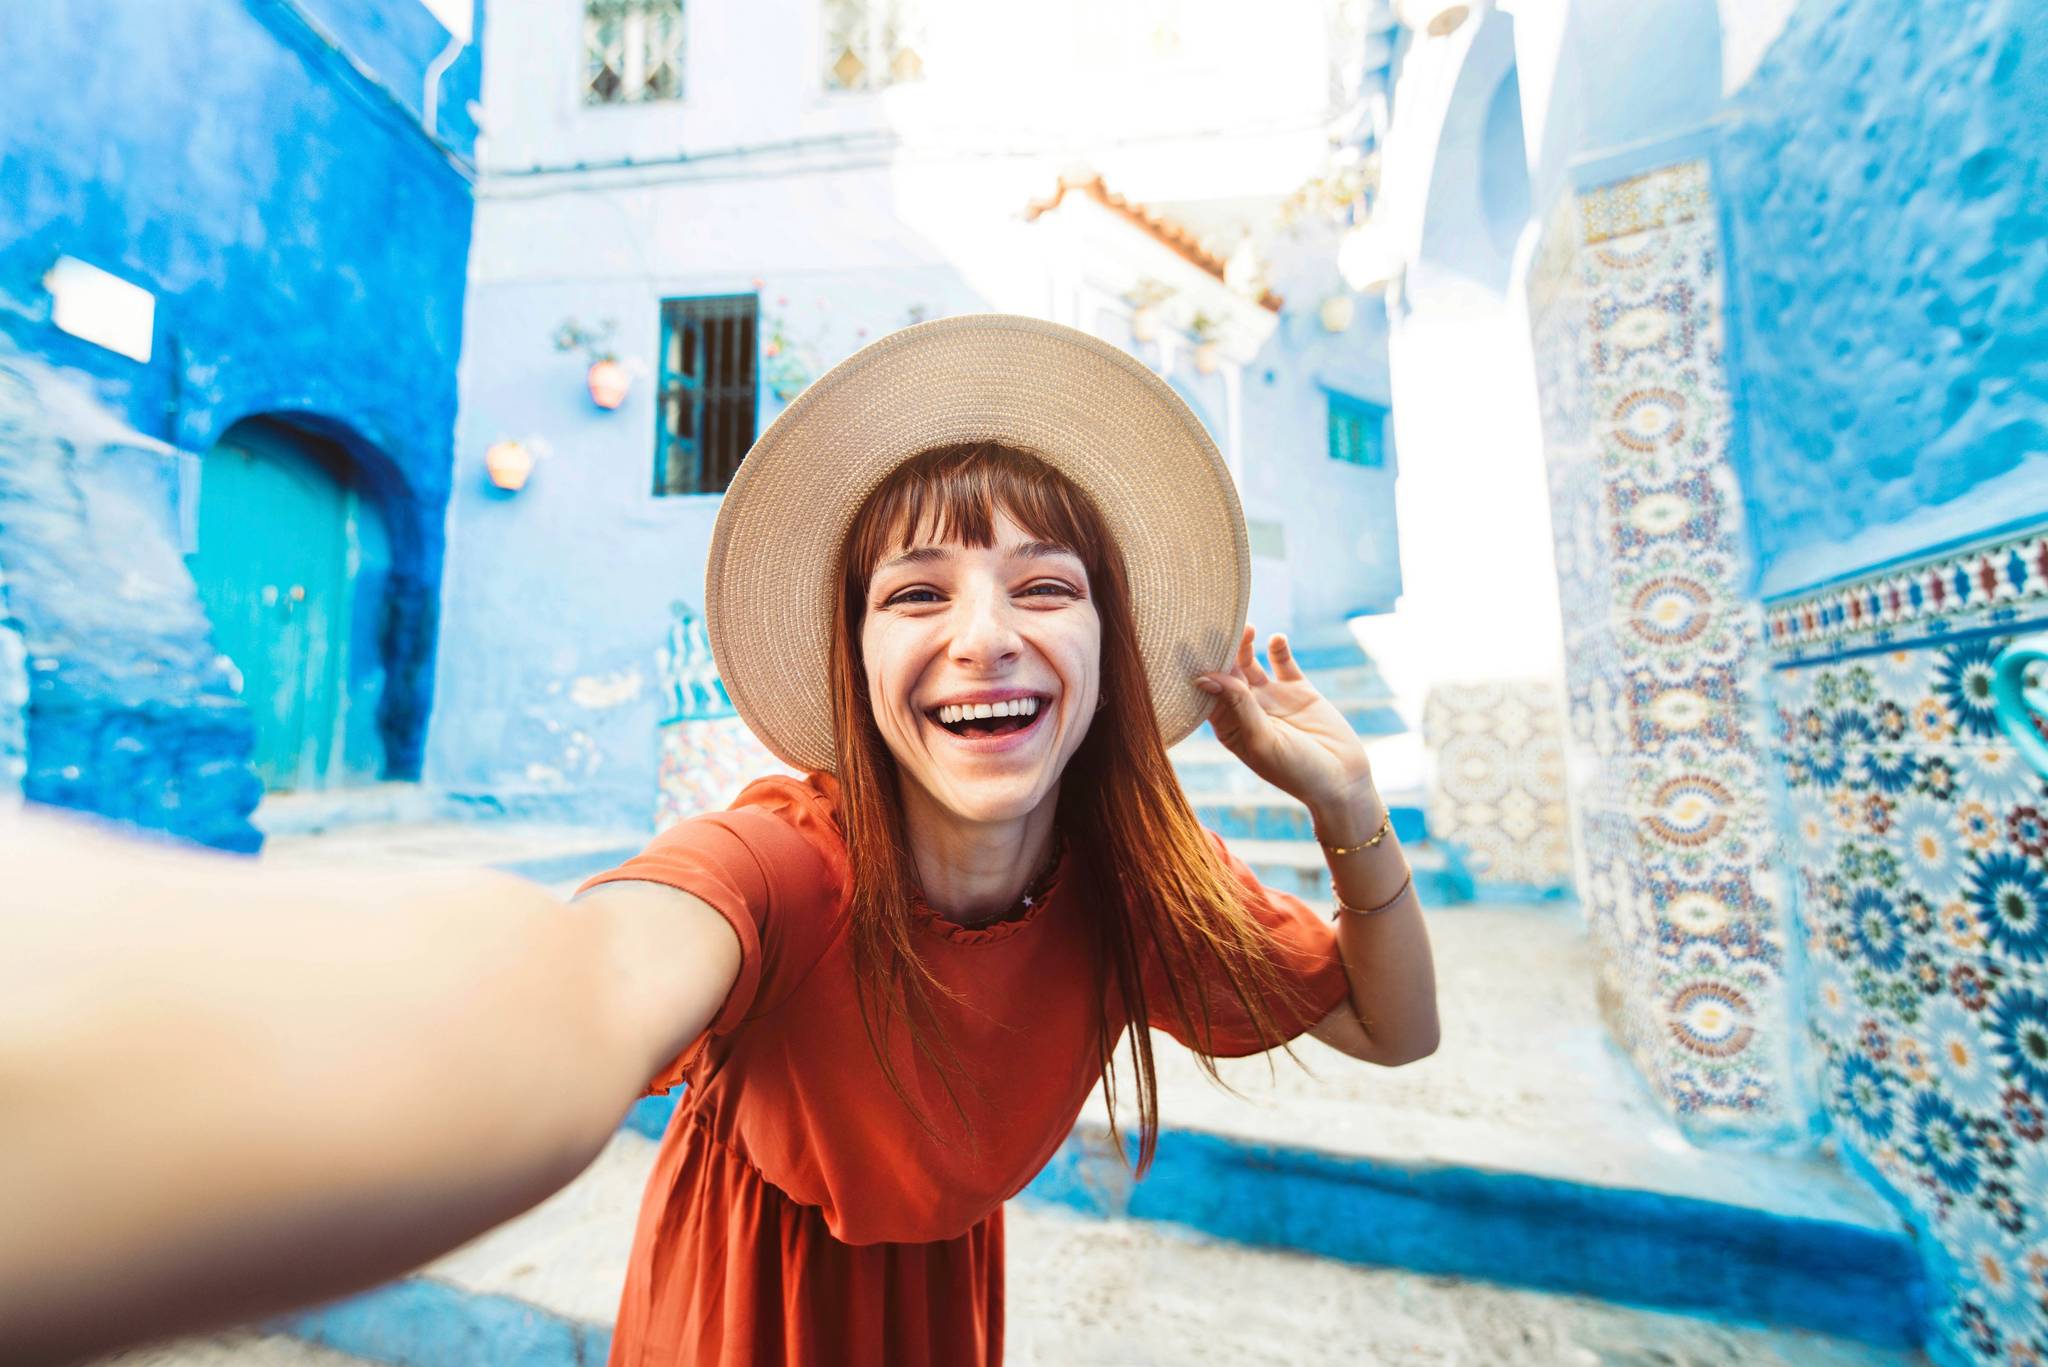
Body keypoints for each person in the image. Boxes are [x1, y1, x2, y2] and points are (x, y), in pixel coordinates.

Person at [0, 314, 1437, 1367]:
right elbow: (570, 991)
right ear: (856, 660)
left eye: (1044, 587)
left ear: (1109, 643)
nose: (984, 639)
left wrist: (1348, 809)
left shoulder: (1132, 891)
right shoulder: (782, 866)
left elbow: (1395, 1028)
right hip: (736, 1317)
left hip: (945, 1317)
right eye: (916, 594)